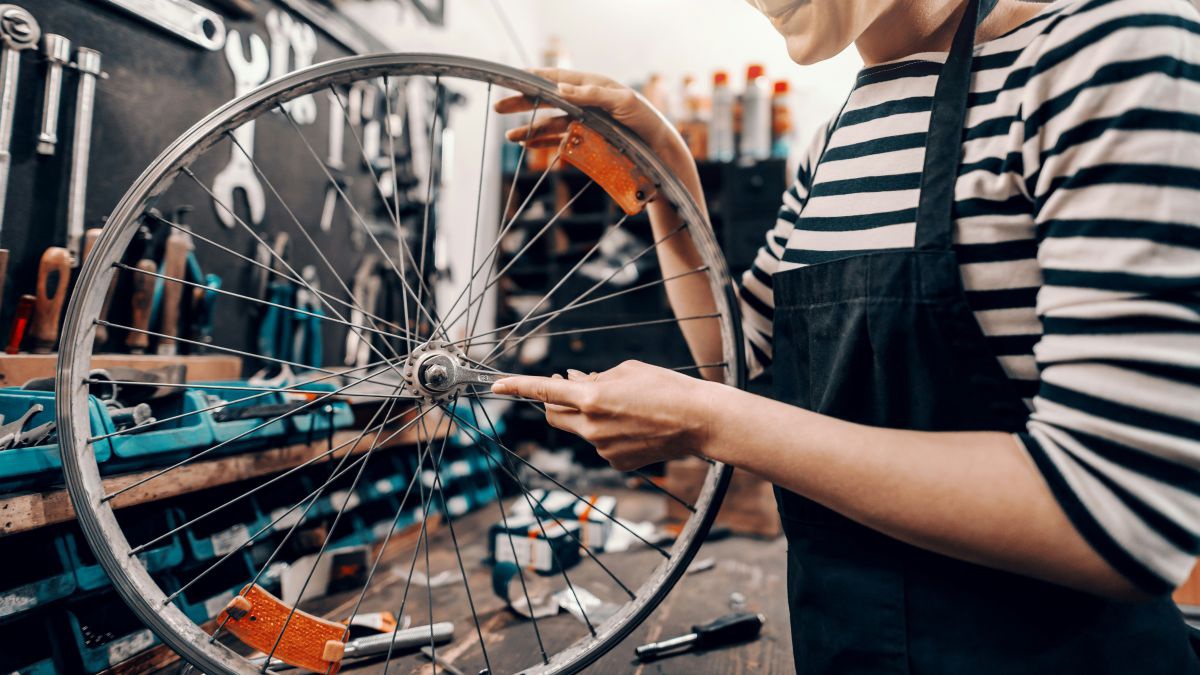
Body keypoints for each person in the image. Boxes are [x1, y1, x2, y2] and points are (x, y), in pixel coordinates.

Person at [492, 0, 1200, 672]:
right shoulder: (839, 135)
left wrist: (713, 423)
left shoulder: (1108, 55)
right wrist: (670, 178)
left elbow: (1120, 512)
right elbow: (739, 355)